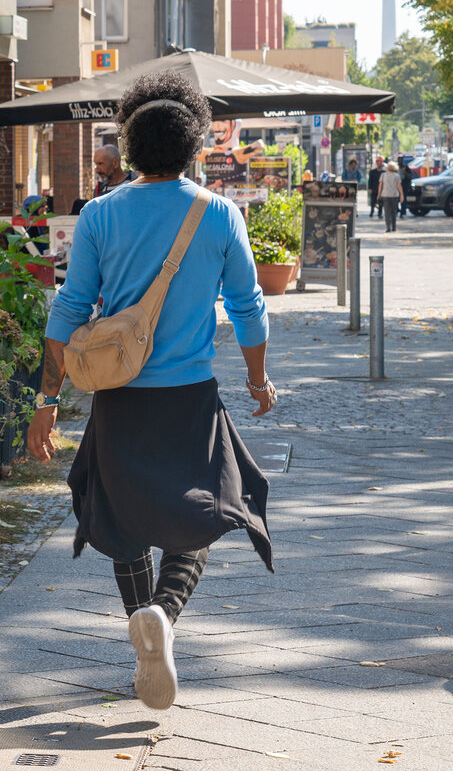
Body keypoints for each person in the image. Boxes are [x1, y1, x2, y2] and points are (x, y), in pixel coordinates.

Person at [30, 70, 276, 712]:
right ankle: (164, 615)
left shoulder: (99, 215)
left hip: (118, 399)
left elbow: (68, 311)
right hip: (189, 399)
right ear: (195, 146)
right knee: (197, 519)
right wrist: (256, 377)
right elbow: (249, 308)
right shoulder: (219, 213)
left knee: (125, 520)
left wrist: (45, 404)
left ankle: (143, 622)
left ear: (130, 150)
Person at [378, 162, 403, 232]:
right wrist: (402, 195)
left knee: (387, 212)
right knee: (393, 211)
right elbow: (399, 186)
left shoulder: (383, 175)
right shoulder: (397, 176)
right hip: (394, 195)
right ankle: (394, 227)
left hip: (385, 195)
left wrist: (379, 194)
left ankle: (388, 227)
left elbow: (380, 185)